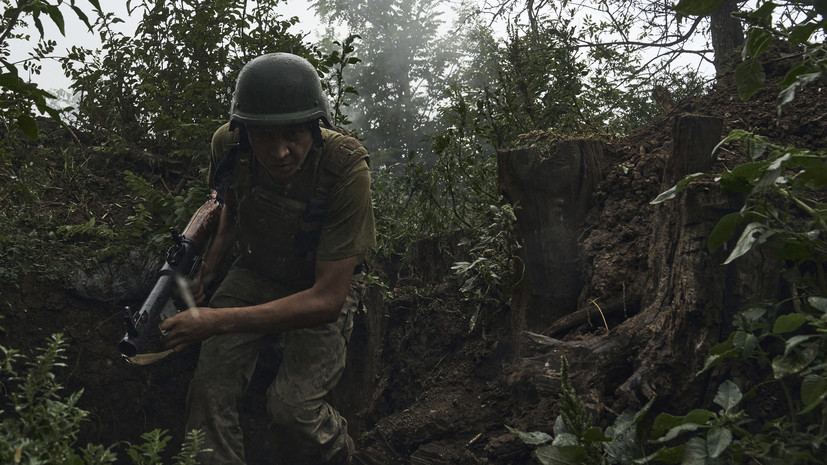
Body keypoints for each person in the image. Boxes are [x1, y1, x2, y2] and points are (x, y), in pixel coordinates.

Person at [159, 52, 375, 465]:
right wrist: (210, 266)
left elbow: (327, 299)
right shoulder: (229, 143)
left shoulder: (345, 168)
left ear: (317, 125)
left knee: (293, 412)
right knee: (207, 394)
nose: (279, 152)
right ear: (245, 131)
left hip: (319, 285)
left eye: (294, 134)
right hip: (254, 272)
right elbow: (228, 206)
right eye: (264, 137)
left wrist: (214, 321)